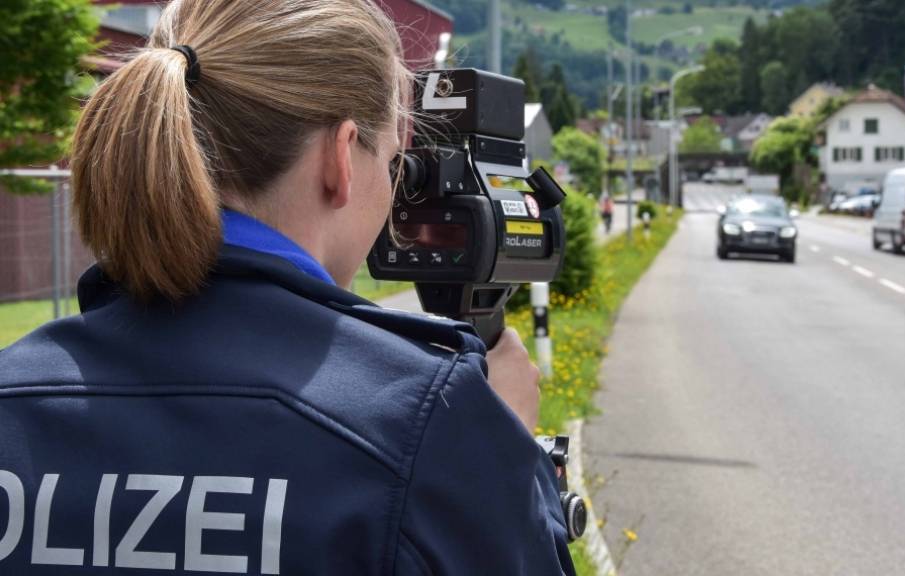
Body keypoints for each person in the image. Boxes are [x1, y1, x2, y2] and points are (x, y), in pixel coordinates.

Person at [0, 1, 575, 574]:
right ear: (341, 157)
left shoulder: (13, 394)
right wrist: (506, 462)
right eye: (393, 162)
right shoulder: (424, 420)